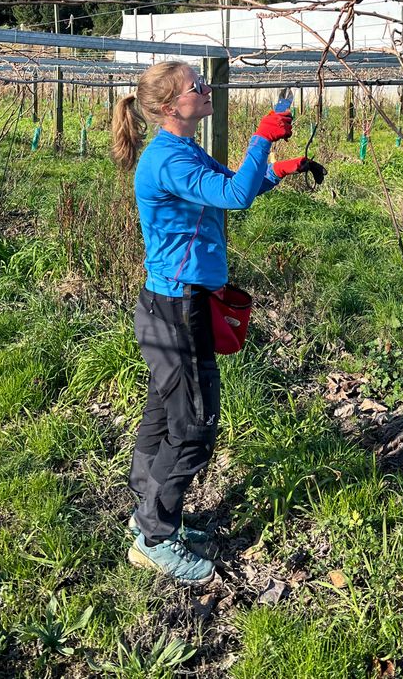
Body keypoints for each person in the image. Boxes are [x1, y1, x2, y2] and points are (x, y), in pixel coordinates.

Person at [111, 59, 325, 586]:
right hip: (176, 311)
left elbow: (229, 186)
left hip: (174, 305)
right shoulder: (168, 160)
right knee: (194, 426)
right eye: (196, 85)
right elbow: (233, 197)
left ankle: (149, 513)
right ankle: (155, 537)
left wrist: (277, 169)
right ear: (171, 106)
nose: (206, 88)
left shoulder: (182, 149)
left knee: (165, 413)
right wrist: (261, 138)